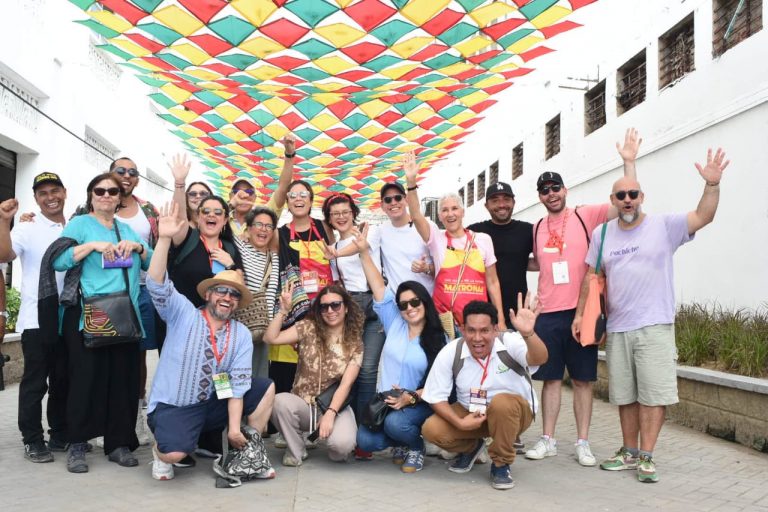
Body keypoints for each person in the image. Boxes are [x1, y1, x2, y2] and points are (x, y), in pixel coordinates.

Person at [572, 148, 729, 483]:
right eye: (621, 195)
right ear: (613, 199)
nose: (627, 200)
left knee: (653, 395)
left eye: (633, 194)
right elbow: (591, 276)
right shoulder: (602, 234)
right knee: (625, 395)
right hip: (618, 328)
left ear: (641, 197)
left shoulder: (664, 226)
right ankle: (629, 452)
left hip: (655, 325)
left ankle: (647, 456)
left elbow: (703, 216)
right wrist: (580, 314)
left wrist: (712, 186)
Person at [525, 128, 640, 467]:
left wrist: (629, 163)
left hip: (582, 312)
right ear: (541, 196)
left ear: (565, 190)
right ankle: (547, 439)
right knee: (549, 380)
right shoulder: (537, 227)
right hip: (548, 314)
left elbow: (623, 205)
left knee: (582, 380)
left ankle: (583, 442)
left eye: (555, 187)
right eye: (544, 190)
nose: (551, 194)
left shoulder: (584, 215)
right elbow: (539, 261)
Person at [146, 202, 275, 481]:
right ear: (208, 295)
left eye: (233, 294)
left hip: (211, 403)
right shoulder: (183, 313)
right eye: (221, 291)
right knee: (175, 454)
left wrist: (233, 430)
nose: (227, 298)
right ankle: (160, 449)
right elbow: (156, 283)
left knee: (264, 387)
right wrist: (165, 238)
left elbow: (234, 384)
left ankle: (247, 457)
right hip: (174, 406)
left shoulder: (239, 333)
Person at [52, 173, 152, 473]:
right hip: (92, 313)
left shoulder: (127, 229)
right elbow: (58, 259)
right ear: (90, 195)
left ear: (120, 197)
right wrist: (92, 246)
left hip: (127, 313)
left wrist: (138, 248)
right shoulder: (80, 224)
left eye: (113, 191)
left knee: (123, 380)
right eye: (100, 190)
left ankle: (119, 443)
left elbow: (148, 262)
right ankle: (78, 443)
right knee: (85, 380)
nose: (107, 195)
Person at [421, 299, 547, 490]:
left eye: (484, 330)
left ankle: (501, 463)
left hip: (514, 413)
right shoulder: (452, 351)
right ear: (462, 329)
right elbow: (435, 396)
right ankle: (473, 447)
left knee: (501, 403)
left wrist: (528, 333)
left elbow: (540, 358)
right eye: (471, 330)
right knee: (431, 429)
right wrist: (460, 423)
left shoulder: (509, 342)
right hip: (472, 413)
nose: (477, 338)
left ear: (495, 330)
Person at [352, 225, 445, 472]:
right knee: (365, 440)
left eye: (415, 302)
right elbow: (378, 287)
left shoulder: (438, 338)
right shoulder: (395, 322)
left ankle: (415, 446)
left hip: (419, 401)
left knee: (396, 425)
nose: (409, 308)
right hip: (388, 401)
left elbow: (442, 383)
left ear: (424, 302)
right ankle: (401, 442)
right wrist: (363, 252)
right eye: (403, 305)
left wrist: (411, 396)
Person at [0, 173, 69, 463]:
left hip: (69, 316)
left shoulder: (76, 225)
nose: (50, 197)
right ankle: (32, 439)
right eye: (43, 193)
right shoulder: (27, 227)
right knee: (35, 383)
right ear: (36, 198)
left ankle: (59, 434)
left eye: (55, 190)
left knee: (64, 381)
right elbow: (4, 255)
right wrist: (4, 221)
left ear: (64, 192)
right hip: (37, 318)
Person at [403, 152, 506, 332]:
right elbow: (416, 215)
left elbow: (493, 283)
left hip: (478, 324)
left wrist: (501, 320)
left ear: (462, 212)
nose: (450, 214)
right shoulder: (436, 238)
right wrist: (411, 183)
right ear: (440, 216)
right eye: (445, 210)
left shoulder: (483, 240)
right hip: (445, 323)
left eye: (454, 209)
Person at [264, 283, 363, 466]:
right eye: (324, 306)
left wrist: (330, 414)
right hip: (303, 402)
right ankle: (297, 448)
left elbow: (346, 385)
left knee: (341, 448)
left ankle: (321, 436)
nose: (330, 310)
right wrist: (283, 311)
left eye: (336, 305)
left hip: (335, 405)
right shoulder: (307, 327)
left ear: (346, 307)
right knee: (278, 401)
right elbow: (270, 338)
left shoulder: (354, 342)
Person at [270, 179, 335, 447]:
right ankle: (286, 429)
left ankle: (313, 426)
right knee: (286, 372)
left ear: (311, 200)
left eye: (303, 194)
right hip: (291, 312)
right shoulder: (280, 233)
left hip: (324, 314)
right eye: (292, 194)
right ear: (287, 201)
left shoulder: (324, 228)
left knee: (316, 372)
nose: (298, 198)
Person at [321, 192, 386, 459]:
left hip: (376, 305)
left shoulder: (368, 232)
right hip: (352, 309)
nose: (340, 216)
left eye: (344, 211)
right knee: (351, 371)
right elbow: (339, 283)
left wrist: (334, 252)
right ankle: (354, 431)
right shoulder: (333, 249)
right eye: (334, 213)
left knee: (369, 370)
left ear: (353, 212)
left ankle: (366, 433)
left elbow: (357, 249)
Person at [467, 182, 534, 326]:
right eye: (495, 200)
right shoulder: (474, 232)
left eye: (506, 200)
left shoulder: (528, 231)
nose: (501, 205)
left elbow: (543, 261)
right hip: (482, 313)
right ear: (486, 206)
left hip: (519, 312)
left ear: (514, 202)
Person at [233, 206, 280, 379]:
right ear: (249, 227)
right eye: (258, 224)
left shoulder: (274, 257)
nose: (263, 229)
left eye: (268, 226)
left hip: (261, 330)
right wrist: (234, 204)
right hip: (237, 327)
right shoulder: (239, 246)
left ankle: (253, 407)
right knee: (230, 377)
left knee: (258, 379)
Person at [368, 181, 435, 294]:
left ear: (406, 200)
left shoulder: (427, 225)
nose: (393, 203)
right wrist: (336, 253)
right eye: (388, 200)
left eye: (398, 198)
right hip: (398, 305)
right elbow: (361, 247)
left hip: (427, 302)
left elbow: (443, 265)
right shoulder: (379, 231)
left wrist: (426, 268)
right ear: (382, 205)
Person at [227, 134, 296, 237]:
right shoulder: (221, 219)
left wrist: (289, 155)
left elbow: (283, 188)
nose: (243, 195)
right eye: (237, 192)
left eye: (249, 192)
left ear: (255, 197)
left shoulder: (264, 216)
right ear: (231, 197)